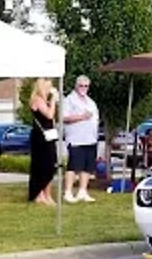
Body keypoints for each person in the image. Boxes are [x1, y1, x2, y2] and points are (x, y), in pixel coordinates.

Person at [61, 75, 99, 204]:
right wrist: (82, 117)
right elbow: (64, 117)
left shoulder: (90, 101)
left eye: (86, 86)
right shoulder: (69, 100)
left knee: (87, 167)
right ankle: (68, 192)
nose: (83, 88)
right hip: (76, 138)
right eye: (81, 85)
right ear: (76, 86)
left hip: (90, 138)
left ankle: (83, 191)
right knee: (73, 165)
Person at [28, 78, 59, 206]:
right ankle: (38, 193)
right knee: (41, 164)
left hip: (49, 136)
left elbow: (52, 119)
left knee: (50, 164)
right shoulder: (37, 99)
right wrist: (53, 100)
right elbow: (49, 115)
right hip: (40, 137)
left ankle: (48, 194)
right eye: (48, 87)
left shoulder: (45, 101)